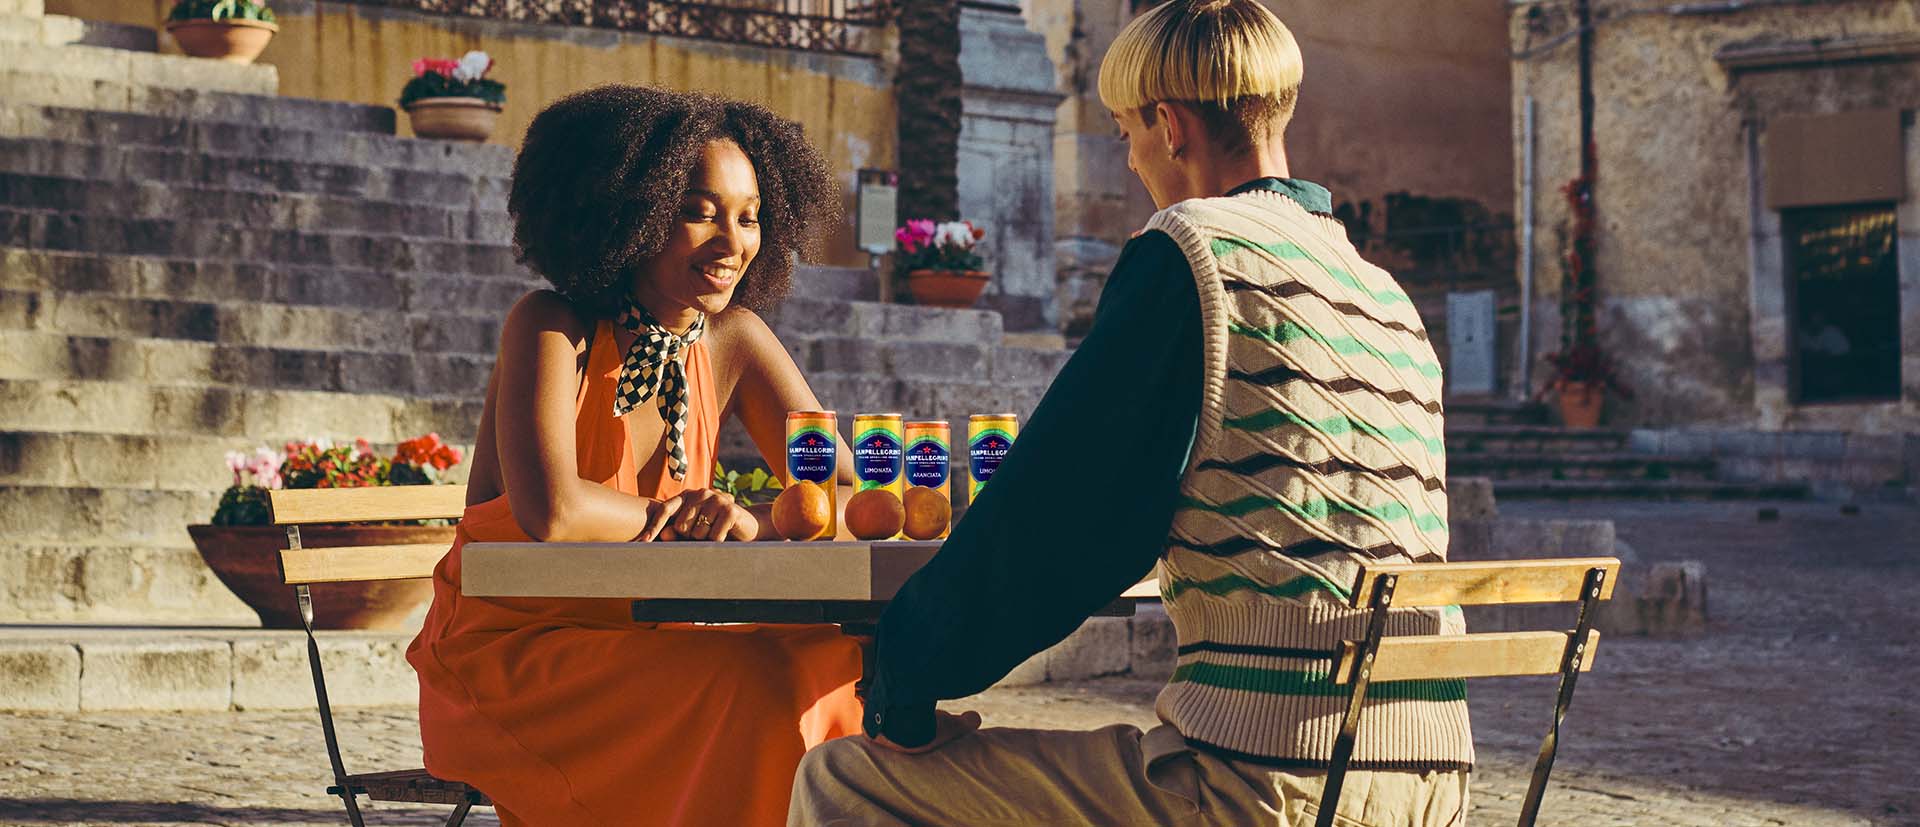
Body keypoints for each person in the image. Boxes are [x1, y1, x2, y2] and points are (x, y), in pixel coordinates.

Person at [788, 0, 1471, 824]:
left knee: (846, 777)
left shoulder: (1195, 251)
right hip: (1430, 777)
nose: (1132, 160)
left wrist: (904, 683)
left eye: (1126, 133)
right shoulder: (1385, 295)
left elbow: (1064, 514)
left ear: (1169, 126)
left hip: (1267, 781)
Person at [406, 85, 867, 826]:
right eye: (699, 212)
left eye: (749, 217)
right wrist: (686, 516)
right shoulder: (550, 327)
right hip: (513, 658)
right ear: (628, 212)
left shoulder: (735, 340)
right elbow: (554, 511)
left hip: (646, 640)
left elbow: (854, 498)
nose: (732, 243)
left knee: (830, 661)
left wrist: (747, 520)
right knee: (752, 680)